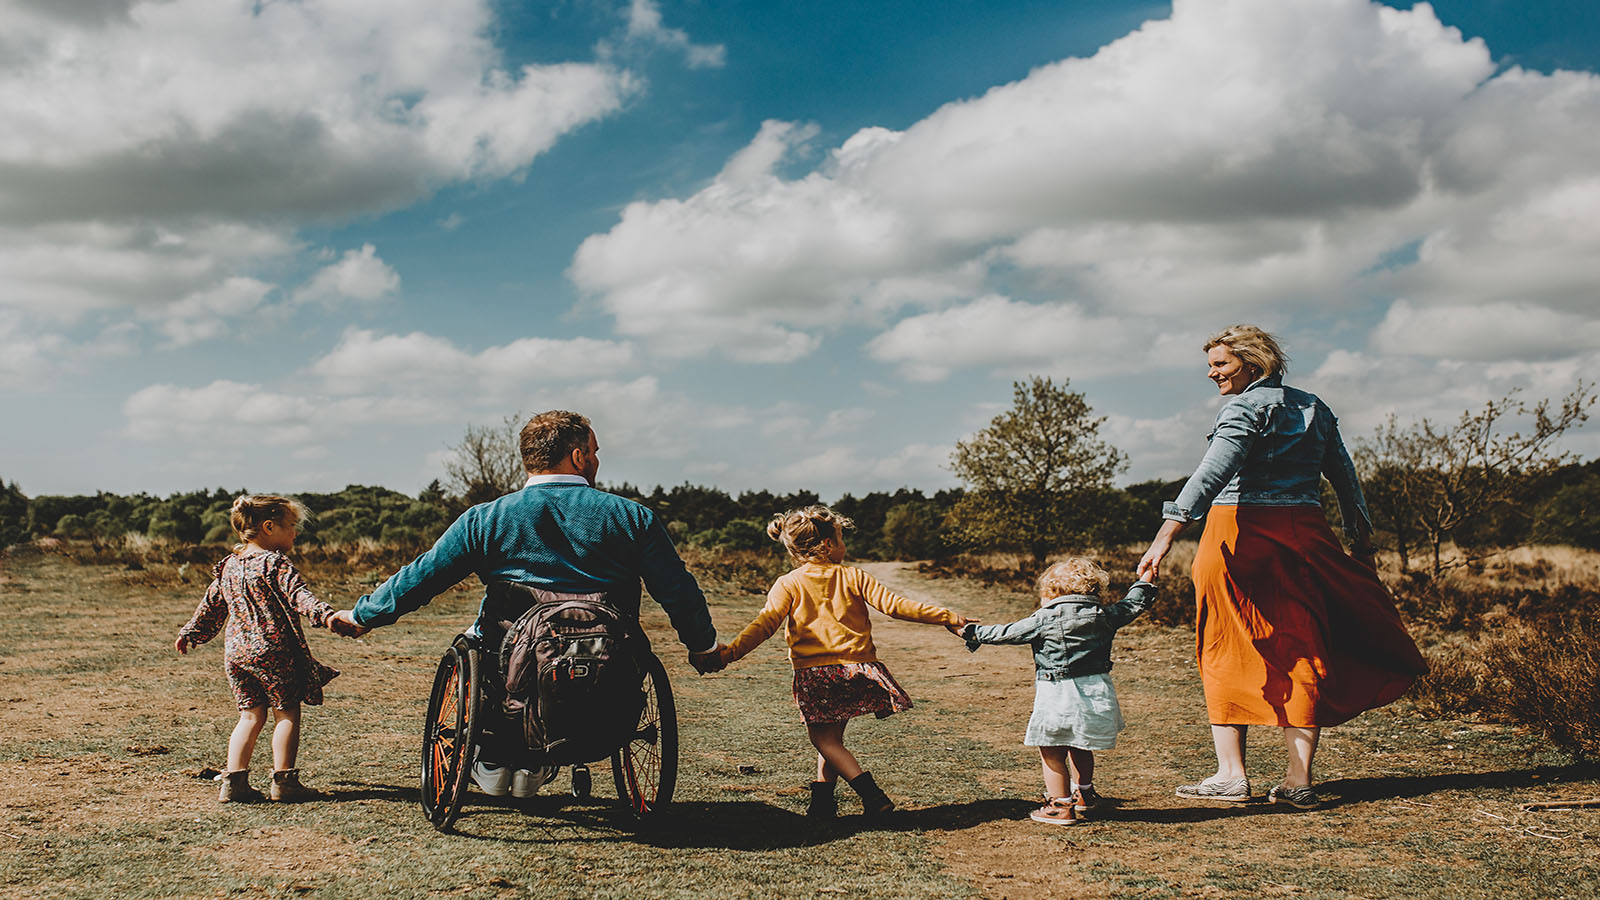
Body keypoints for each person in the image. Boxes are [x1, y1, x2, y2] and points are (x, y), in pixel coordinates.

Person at [327, 410, 725, 799]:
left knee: (478, 642)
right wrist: (702, 645)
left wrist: (364, 615)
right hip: (610, 656)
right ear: (578, 456)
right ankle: (540, 758)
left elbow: (423, 576)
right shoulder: (631, 517)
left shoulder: (485, 519)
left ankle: (498, 756)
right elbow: (678, 590)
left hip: (510, 652)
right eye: (596, 451)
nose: (597, 460)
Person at [1137, 325, 1426, 810]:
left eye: (1221, 364)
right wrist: (1362, 541)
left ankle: (1232, 775)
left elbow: (1213, 471)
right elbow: (1345, 478)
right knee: (1303, 644)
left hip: (1238, 533)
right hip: (1304, 533)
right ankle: (1299, 780)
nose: (1212, 374)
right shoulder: (1315, 407)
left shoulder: (1244, 408)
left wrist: (1166, 534)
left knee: (1225, 643)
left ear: (1254, 363)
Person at [716, 505, 976, 819]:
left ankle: (871, 795)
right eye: (841, 538)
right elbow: (895, 606)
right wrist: (947, 617)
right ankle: (822, 804)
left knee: (822, 738)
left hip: (816, 672)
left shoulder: (789, 582)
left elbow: (765, 623)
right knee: (832, 740)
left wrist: (730, 653)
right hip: (857, 668)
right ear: (827, 545)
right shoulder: (853, 576)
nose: (845, 546)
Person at [175, 495, 366, 803]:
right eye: (291, 526)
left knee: (250, 716)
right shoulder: (274, 563)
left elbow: (211, 605)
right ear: (268, 527)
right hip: (273, 651)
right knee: (287, 712)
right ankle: (285, 781)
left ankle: (234, 782)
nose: (295, 532)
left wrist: (192, 631)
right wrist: (327, 615)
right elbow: (299, 596)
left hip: (237, 654)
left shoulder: (229, 566)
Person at [962, 557, 1156, 826]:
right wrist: (1145, 581)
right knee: (1081, 743)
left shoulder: (1044, 618)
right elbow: (1133, 604)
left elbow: (1005, 633)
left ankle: (1059, 806)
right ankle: (1085, 795)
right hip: (1096, 691)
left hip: (1058, 693)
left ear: (1052, 591)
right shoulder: (1104, 615)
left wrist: (968, 631)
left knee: (1052, 749)